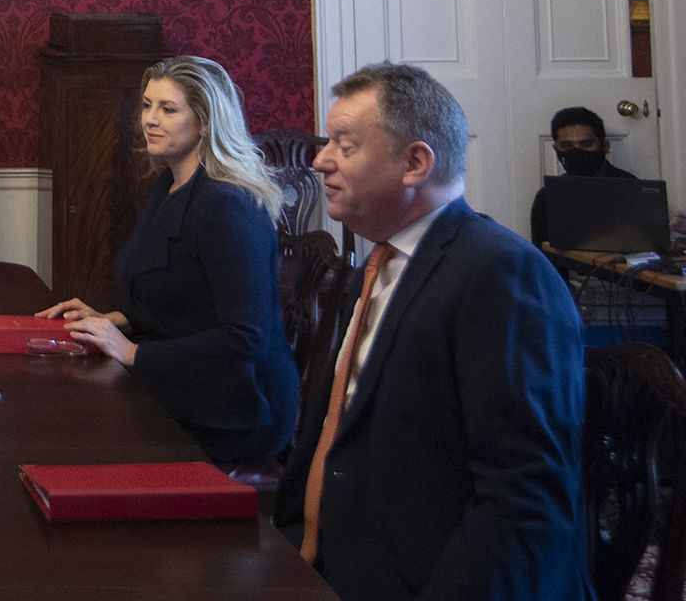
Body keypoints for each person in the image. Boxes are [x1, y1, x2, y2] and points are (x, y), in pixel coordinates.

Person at [276, 63, 587, 600]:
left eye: (344, 145)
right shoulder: (378, 262)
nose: (320, 160)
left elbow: (522, 495)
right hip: (335, 561)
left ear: (415, 162)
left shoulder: (498, 273)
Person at [39, 56, 298, 467]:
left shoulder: (226, 205)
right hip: (192, 384)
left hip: (237, 411)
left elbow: (245, 338)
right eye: (146, 105)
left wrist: (130, 353)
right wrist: (113, 320)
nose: (150, 120)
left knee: (81, 441)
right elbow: (185, 299)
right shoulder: (171, 184)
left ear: (206, 121)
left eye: (168, 109)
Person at [530, 105, 637, 246]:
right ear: (556, 150)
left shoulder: (630, 188)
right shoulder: (548, 196)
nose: (577, 152)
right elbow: (542, 256)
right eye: (567, 146)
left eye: (586, 144)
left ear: (605, 146)